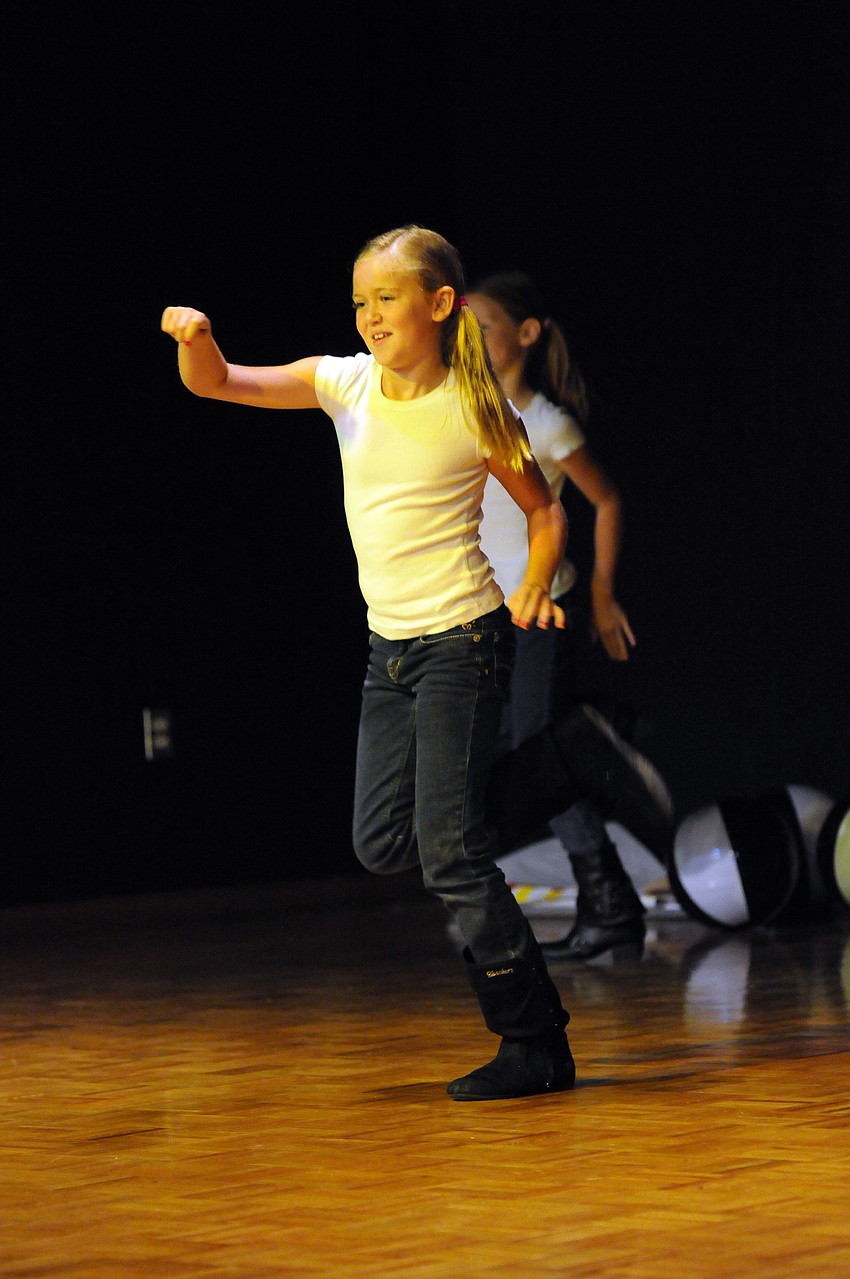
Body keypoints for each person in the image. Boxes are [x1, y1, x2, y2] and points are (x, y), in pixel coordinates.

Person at [161, 226, 665, 1100]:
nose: (367, 316)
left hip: (463, 641)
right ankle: (568, 758)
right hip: (385, 649)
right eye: (358, 300)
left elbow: (547, 515)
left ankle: (535, 1041)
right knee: (381, 840)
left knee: (453, 854)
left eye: (385, 298)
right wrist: (197, 343)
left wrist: (536, 585)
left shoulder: (476, 410)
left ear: (439, 306)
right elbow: (218, 382)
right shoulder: (344, 381)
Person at [469, 271, 659, 961]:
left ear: (525, 334)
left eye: (484, 325)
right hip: (483, 613)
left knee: (538, 755)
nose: (473, 338)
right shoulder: (465, 409)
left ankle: (609, 901)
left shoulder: (547, 423)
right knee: (516, 758)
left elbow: (605, 500)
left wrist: (604, 594)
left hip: (539, 608)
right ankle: (604, 899)